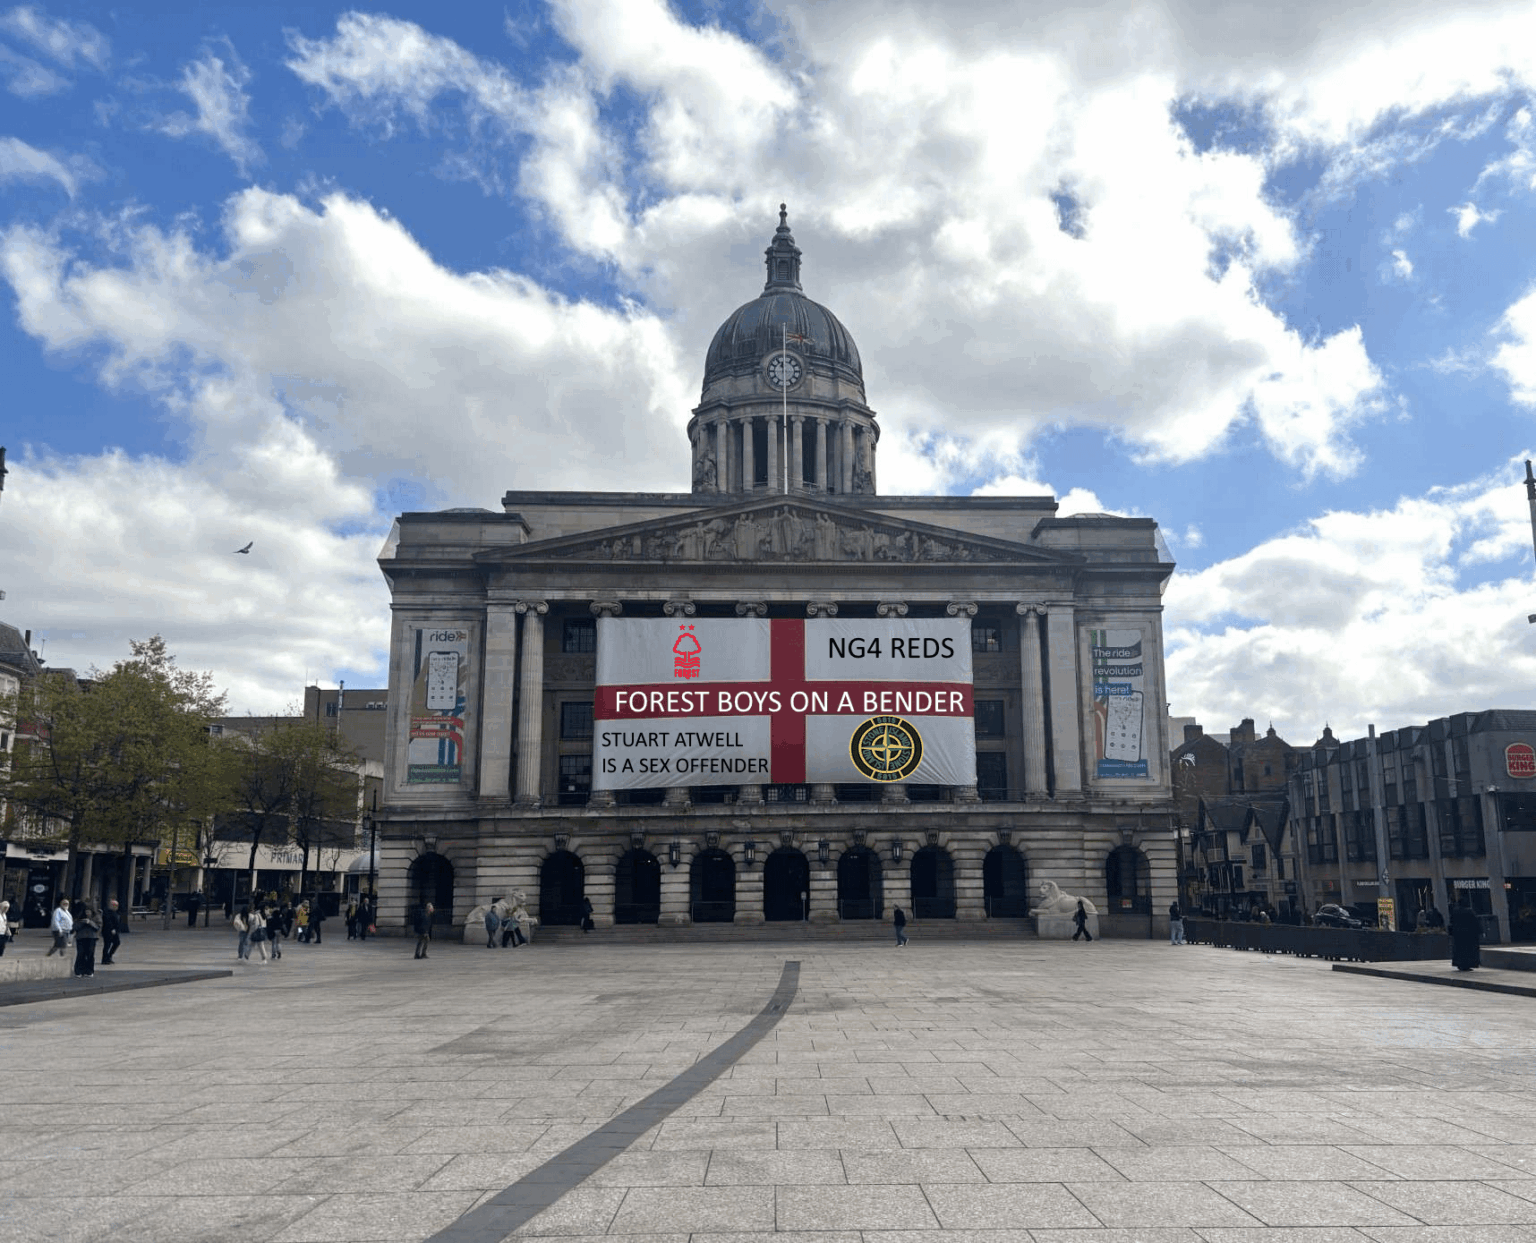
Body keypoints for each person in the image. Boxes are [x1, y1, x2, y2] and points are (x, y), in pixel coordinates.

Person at [1449, 898, 1481, 971]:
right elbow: (1475, 922)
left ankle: (1460, 964)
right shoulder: (1469, 911)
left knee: (1459, 950)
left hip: (1458, 935)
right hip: (1469, 935)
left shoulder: (1455, 911)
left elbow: (1452, 922)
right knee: (1468, 950)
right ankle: (1467, 964)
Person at [73, 902, 100, 977]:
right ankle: (79, 971)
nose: (87, 913)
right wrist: (82, 923)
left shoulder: (96, 917)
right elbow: (75, 927)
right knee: (81, 953)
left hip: (91, 937)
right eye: (86, 911)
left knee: (90, 954)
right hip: (81, 937)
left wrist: (90, 923)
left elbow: (98, 927)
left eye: (89, 911)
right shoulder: (79, 917)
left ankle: (89, 971)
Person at [101, 899, 124, 965]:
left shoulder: (115, 913)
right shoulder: (107, 912)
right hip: (108, 931)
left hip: (114, 931)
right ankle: (105, 958)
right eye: (114, 905)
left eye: (116, 905)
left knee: (117, 943)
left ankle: (109, 956)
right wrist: (112, 929)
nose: (116, 907)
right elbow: (108, 922)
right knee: (107, 945)